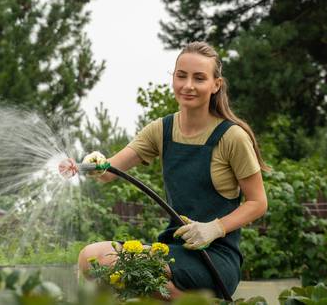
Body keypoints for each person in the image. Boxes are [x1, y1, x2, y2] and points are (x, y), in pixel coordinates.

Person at [77, 41, 268, 299]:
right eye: (181, 76)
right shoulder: (162, 130)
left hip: (215, 258)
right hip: (172, 250)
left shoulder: (232, 137)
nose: (188, 85)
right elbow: (109, 172)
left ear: (216, 85)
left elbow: (258, 202)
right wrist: (87, 164)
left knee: (136, 272)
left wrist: (214, 228)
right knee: (91, 258)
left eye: (199, 78)